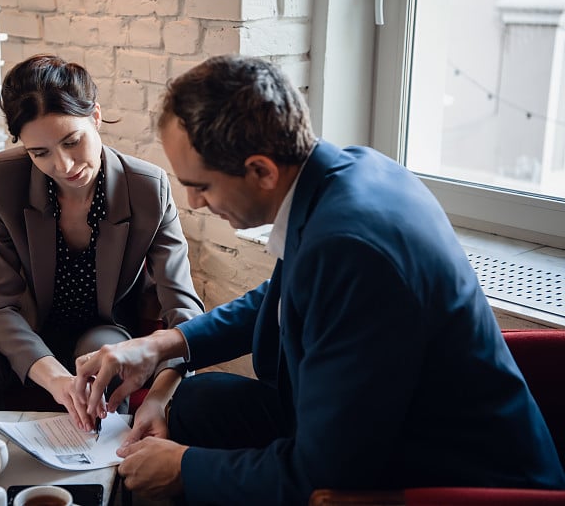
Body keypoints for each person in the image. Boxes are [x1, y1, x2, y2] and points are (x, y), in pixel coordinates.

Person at [73, 55, 565, 504]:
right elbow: (280, 297)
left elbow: (326, 470)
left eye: (200, 186)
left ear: (261, 170)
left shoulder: (351, 250)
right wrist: (161, 345)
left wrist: (187, 468)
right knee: (200, 398)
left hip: (449, 478)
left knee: (168, 476)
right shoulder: (346, 173)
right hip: (378, 421)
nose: (196, 203)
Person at [0, 54, 204, 426]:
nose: (63, 166)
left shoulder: (148, 188)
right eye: (40, 153)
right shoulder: (5, 176)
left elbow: (185, 312)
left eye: (72, 141)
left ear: (95, 117)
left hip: (103, 327)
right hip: (20, 322)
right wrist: (55, 379)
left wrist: (158, 399)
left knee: (106, 380)